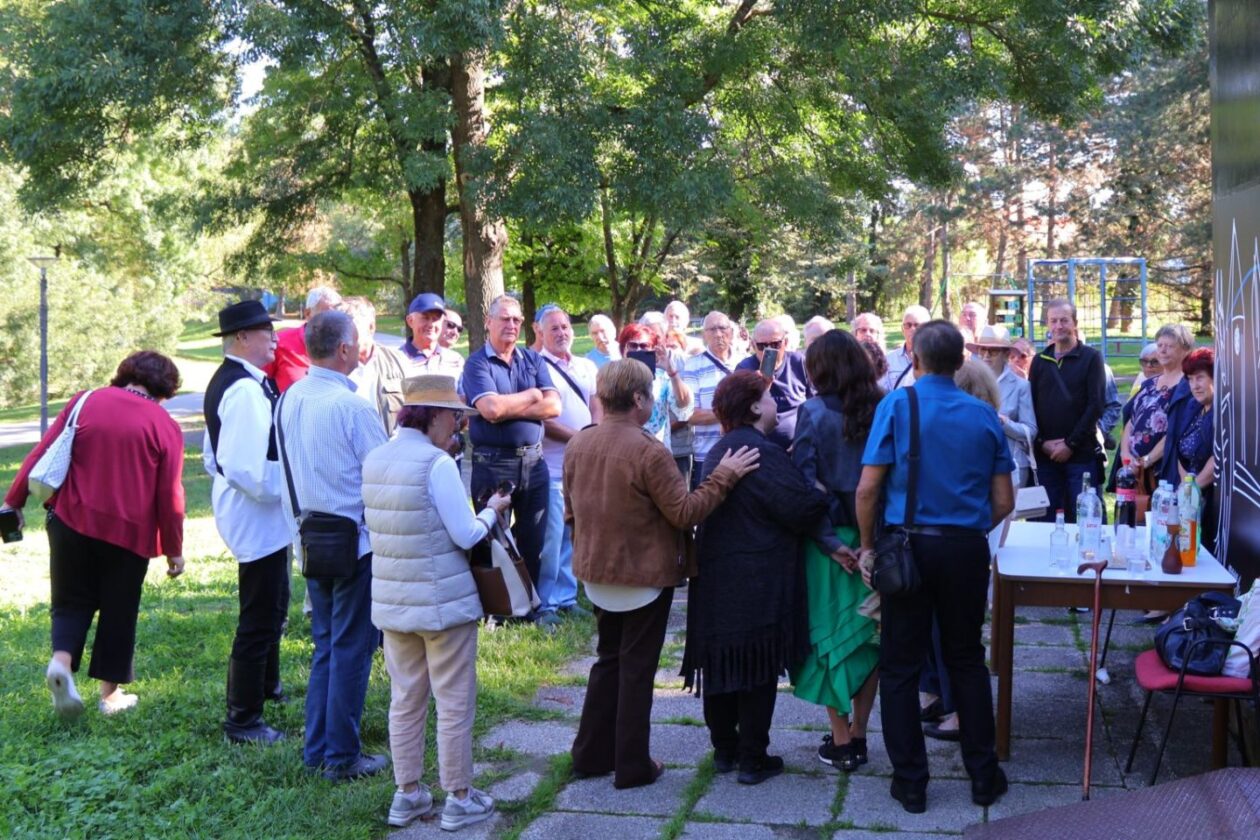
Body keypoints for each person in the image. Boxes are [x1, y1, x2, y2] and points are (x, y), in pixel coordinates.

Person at [564, 359, 760, 789]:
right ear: (638, 399)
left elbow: (571, 511)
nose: (653, 401)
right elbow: (684, 512)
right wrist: (723, 477)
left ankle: (590, 755)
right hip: (642, 575)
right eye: (650, 394)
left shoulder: (580, 443)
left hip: (597, 571)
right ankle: (632, 765)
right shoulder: (648, 449)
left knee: (607, 661)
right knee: (634, 669)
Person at [857, 320, 1014, 814]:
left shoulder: (898, 405)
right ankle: (984, 777)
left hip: (906, 549)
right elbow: (1005, 501)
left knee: (900, 666)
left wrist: (867, 547)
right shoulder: (985, 415)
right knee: (966, 659)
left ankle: (911, 784)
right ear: (962, 361)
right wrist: (967, 527)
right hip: (965, 549)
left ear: (915, 358)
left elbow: (867, 489)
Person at [362, 376, 513, 831]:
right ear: (432, 415)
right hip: (443, 606)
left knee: (404, 699)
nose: (459, 428)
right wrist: (495, 509)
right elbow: (466, 534)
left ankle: (406, 793)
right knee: (454, 701)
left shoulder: (375, 458)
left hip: (393, 603)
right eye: (454, 418)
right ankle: (460, 797)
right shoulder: (436, 464)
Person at [3, 352, 185, 719]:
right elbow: (170, 495)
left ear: (126, 374)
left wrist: (14, 501)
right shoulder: (165, 425)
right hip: (128, 534)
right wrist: (173, 550)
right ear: (164, 388)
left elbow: (44, 450)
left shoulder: (85, 400)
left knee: (70, 601)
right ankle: (110, 696)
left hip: (70, 520)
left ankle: (60, 662)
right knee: (119, 610)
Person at [681, 370, 828, 784]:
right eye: (769, 396)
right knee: (756, 668)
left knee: (722, 665)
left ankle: (725, 751)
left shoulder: (722, 450)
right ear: (754, 407)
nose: (776, 402)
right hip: (757, 578)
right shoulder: (759, 450)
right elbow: (797, 509)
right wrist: (816, 488)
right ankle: (752, 759)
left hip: (716, 576)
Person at [277, 310, 390, 782]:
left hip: (308, 537)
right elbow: (386, 474)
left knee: (327, 646)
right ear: (344, 349)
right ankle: (341, 757)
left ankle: (317, 749)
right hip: (353, 541)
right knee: (350, 649)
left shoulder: (288, 398)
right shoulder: (353, 407)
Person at [788, 331, 883, 773]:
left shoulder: (811, 412)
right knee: (867, 639)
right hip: (874, 540)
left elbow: (804, 486)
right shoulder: (884, 407)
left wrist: (830, 544)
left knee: (829, 640)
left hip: (829, 542)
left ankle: (842, 740)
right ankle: (860, 735)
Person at [203, 300, 291, 744]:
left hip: (261, 512)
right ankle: (243, 719)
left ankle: (266, 687)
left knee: (273, 605)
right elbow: (243, 467)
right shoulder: (240, 389)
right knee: (258, 615)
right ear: (241, 338)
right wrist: (291, 488)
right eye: (265, 331)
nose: (274, 338)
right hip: (256, 514)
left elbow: (209, 455)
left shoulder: (244, 382)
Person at [462, 295, 562, 595]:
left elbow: (554, 406)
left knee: (533, 536)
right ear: (488, 322)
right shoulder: (476, 364)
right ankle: (497, 605)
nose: (512, 324)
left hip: (534, 462)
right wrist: (533, 395)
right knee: (492, 538)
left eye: (517, 320)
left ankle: (527, 602)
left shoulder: (532, 359)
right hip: (493, 464)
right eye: (505, 318)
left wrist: (509, 407)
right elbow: (490, 410)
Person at [537, 307, 600, 628]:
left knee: (573, 535)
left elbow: (595, 402)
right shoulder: (538, 365)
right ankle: (545, 602)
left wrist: (596, 434)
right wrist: (580, 439)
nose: (562, 332)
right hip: (552, 467)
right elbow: (543, 418)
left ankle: (566, 597)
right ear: (541, 333)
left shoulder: (586, 366)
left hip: (583, 468)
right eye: (554, 329)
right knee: (552, 537)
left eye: (565, 327)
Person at [1029, 299, 1105, 522]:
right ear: (1047, 324)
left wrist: (1070, 444)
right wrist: (1041, 442)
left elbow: (1096, 405)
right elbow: (1031, 405)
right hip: (1045, 457)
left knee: (1084, 519)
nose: (1059, 326)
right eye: (1054, 321)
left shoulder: (1091, 358)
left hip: (1080, 455)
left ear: (1075, 323)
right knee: (1044, 520)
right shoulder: (1039, 361)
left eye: (1064, 320)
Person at [1122, 325, 1194, 486]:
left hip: (1162, 471)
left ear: (1185, 350)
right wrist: (1125, 456)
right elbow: (1131, 421)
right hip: (1132, 470)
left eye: (1169, 346)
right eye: (1160, 345)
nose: (1162, 350)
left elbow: (1176, 431)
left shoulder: (1188, 387)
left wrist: (1146, 461)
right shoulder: (1148, 384)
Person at [1160, 348, 1216, 553]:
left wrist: (1191, 490)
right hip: (1188, 495)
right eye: (1190, 379)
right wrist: (1185, 488)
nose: (1194, 386)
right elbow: (1180, 448)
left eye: (1200, 378)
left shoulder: (1224, 411)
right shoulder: (1194, 407)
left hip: (1212, 501)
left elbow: (1219, 455)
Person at [968, 326, 1037, 489]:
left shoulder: (1021, 386)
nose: (986, 356)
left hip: (1011, 463)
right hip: (975, 460)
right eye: (982, 350)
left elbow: (1031, 430)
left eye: (993, 351)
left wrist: (1004, 423)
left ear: (1006, 354)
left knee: (1009, 513)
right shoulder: (969, 382)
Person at [735, 318, 813, 449]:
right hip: (761, 448)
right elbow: (740, 414)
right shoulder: (744, 369)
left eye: (775, 344)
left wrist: (805, 438)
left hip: (800, 443)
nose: (769, 351)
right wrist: (761, 388)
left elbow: (815, 402)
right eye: (762, 346)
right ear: (753, 346)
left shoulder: (799, 362)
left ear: (786, 343)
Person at [682, 312, 740, 490]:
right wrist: (732, 411)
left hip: (743, 452)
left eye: (722, 328)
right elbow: (690, 415)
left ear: (731, 331)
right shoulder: (692, 365)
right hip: (707, 455)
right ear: (704, 334)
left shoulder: (744, 361)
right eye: (712, 329)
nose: (718, 334)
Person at [617, 323, 693, 450]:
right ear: (623, 348)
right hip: (624, 450)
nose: (638, 350)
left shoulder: (663, 377)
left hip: (657, 451)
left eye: (644, 346)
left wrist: (672, 372)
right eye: (633, 345)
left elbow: (683, 405)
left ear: (652, 349)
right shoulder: (612, 375)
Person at [343, 296, 410, 436]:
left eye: (351, 329)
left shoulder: (399, 362)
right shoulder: (334, 365)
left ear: (371, 327)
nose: (344, 337)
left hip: (391, 452)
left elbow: (413, 412)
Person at [268, 286, 343, 392]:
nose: (334, 322)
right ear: (308, 313)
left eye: (338, 316)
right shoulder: (281, 342)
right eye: (327, 315)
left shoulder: (344, 346)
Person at [402, 292, 465, 380]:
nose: (431, 324)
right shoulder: (396, 360)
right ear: (410, 321)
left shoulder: (456, 360)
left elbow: (462, 392)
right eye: (425, 318)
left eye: (436, 318)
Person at [884, 305, 930, 391]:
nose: (912, 329)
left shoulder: (935, 360)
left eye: (917, 325)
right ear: (902, 329)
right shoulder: (889, 359)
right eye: (908, 325)